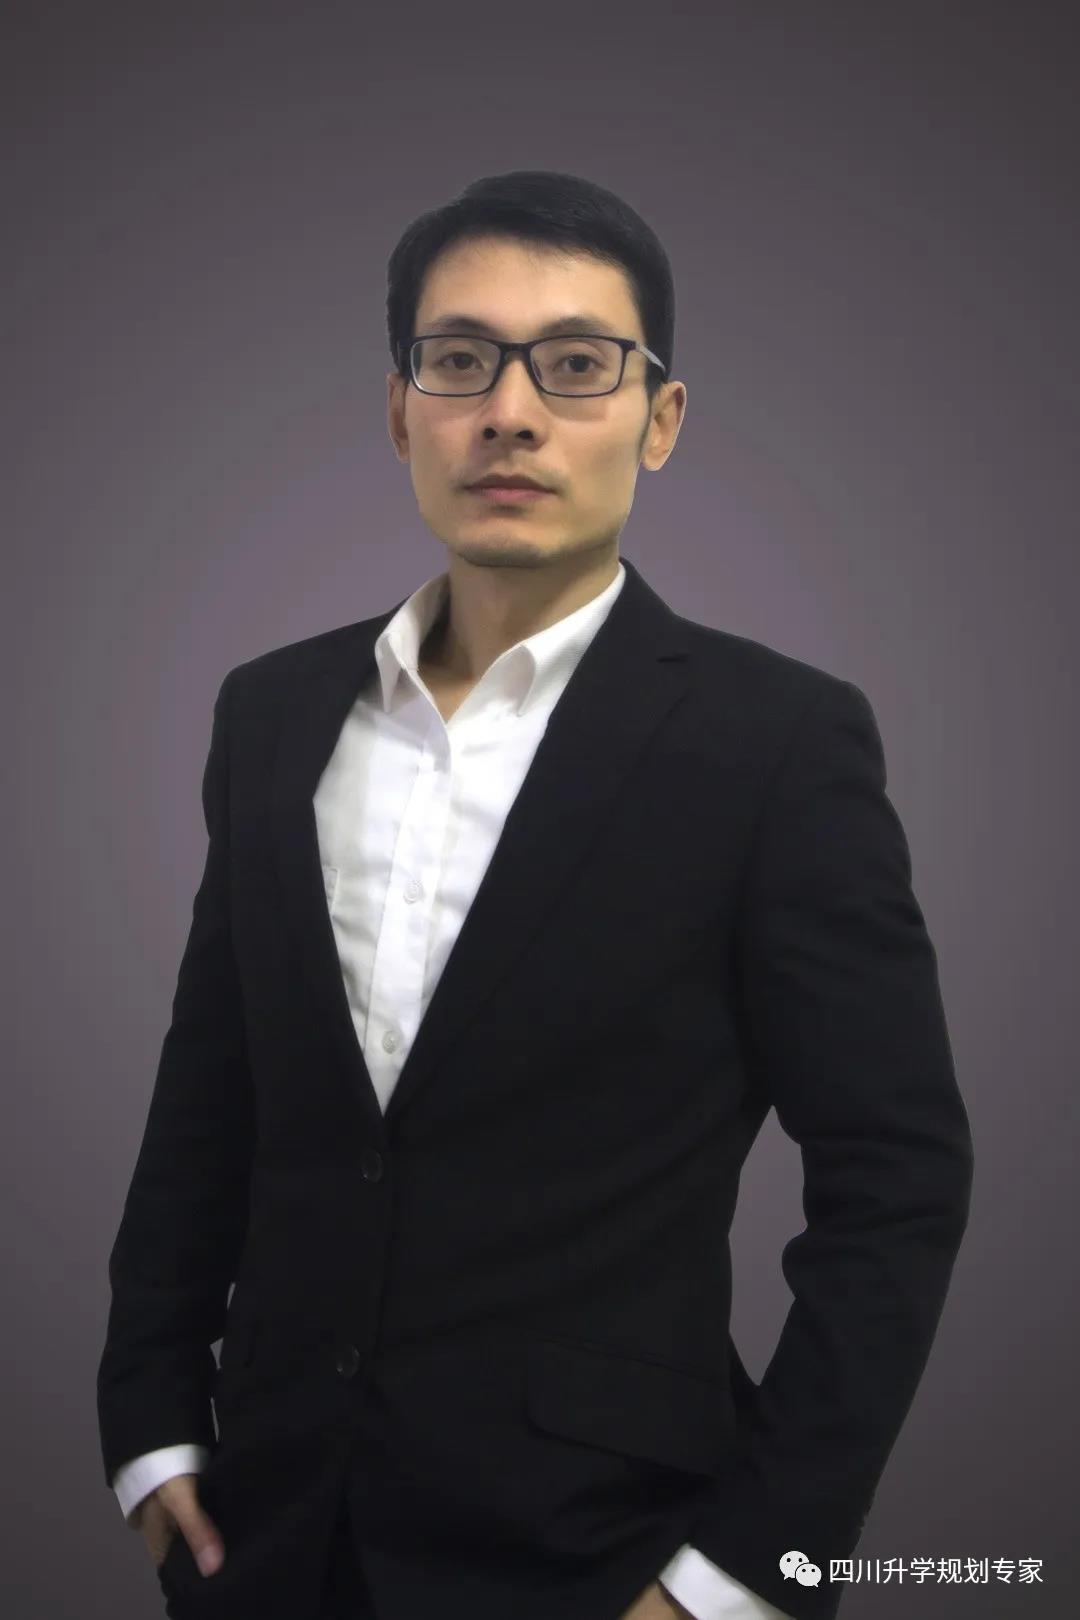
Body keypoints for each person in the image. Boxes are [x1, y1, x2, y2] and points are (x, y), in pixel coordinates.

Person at [97, 169, 974, 1620]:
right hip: (266, 1530)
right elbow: (211, 1089)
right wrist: (147, 1418)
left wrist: (750, 1572)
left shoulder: (776, 742)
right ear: (401, 411)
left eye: (575, 365)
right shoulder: (272, 712)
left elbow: (898, 1178)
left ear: (660, 419)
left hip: (604, 1551)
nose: (509, 411)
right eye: (460, 360)